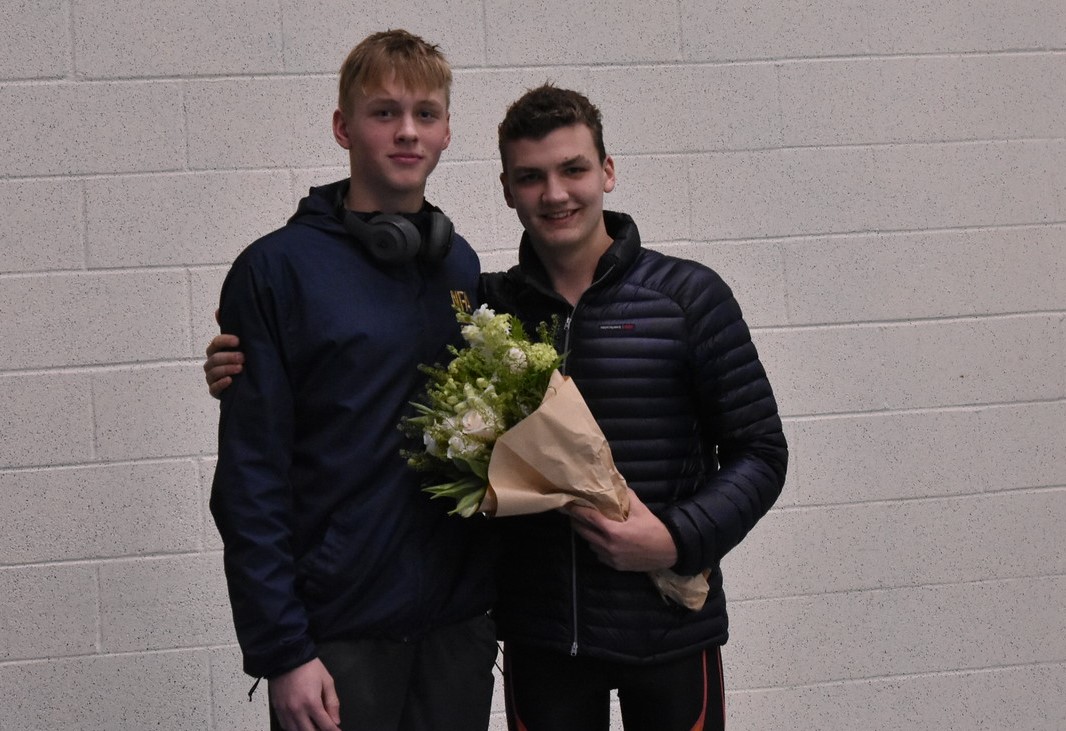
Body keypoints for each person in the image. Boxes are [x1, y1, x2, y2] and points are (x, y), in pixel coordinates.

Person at [207, 84, 788, 731]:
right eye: (531, 177)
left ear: (608, 171)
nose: (556, 193)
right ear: (507, 189)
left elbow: (760, 452)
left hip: (670, 631)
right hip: (540, 641)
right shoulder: (483, 312)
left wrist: (675, 537)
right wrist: (253, 360)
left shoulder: (688, 298)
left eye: (573, 169)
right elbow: (375, 361)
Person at [208, 30, 497, 731]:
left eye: (425, 113)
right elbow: (251, 479)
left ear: (448, 130)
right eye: (384, 111)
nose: (407, 131)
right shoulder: (276, 272)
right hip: (336, 637)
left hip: (456, 631)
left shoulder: (457, 266)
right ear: (343, 126)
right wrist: (283, 650)